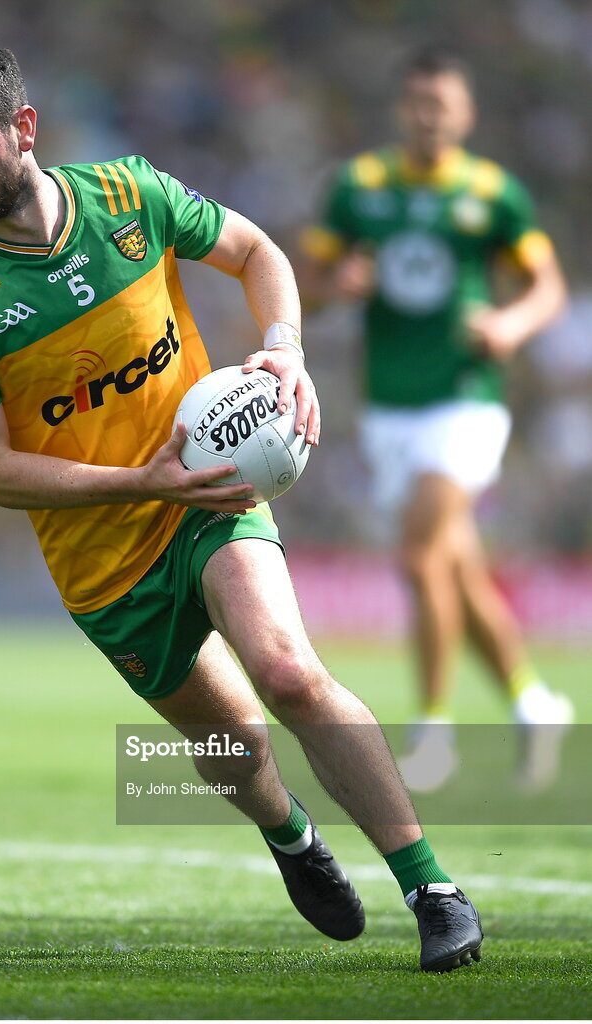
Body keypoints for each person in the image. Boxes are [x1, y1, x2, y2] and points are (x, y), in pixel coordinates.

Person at [0, 37, 483, 972]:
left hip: (210, 497)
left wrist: (283, 347)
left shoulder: (128, 193)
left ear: (24, 127)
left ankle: (431, 890)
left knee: (287, 674)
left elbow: (255, 252)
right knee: (232, 743)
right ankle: (290, 836)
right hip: (103, 562)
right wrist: (141, 481)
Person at [299, 47, 573, 794]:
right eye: (419, 103)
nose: (430, 118)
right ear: (402, 109)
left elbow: (546, 287)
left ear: (465, 114)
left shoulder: (492, 194)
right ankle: (533, 703)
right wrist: (336, 284)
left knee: (420, 558)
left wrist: (511, 325)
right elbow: (307, 283)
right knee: (454, 567)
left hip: (465, 399)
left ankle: (433, 730)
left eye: (442, 105)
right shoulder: (360, 188)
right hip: (389, 406)